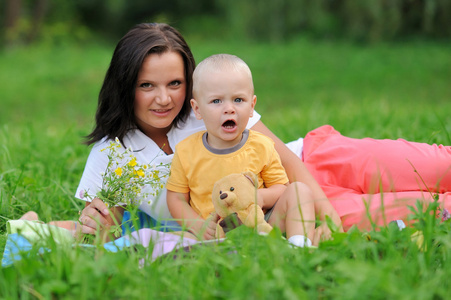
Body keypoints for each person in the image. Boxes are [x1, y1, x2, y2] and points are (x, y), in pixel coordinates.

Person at [75, 22, 450, 242]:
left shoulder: (204, 108)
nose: (163, 99)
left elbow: (287, 160)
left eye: (175, 83)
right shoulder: (114, 155)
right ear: (125, 85)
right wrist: (95, 221)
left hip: (311, 159)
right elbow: (108, 224)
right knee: (430, 209)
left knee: (438, 166)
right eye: (146, 86)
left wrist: (326, 213)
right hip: (281, 212)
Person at [166, 54, 315, 246]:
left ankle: (299, 246)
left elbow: (281, 188)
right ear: (197, 109)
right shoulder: (186, 151)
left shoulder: (261, 145)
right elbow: (176, 198)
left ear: (252, 105)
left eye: (238, 100)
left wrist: (260, 196)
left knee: (299, 190)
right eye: (216, 101)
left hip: (262, 223)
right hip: (215, 232)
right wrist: (198, 225)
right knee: (172, 240)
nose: (229, 109)